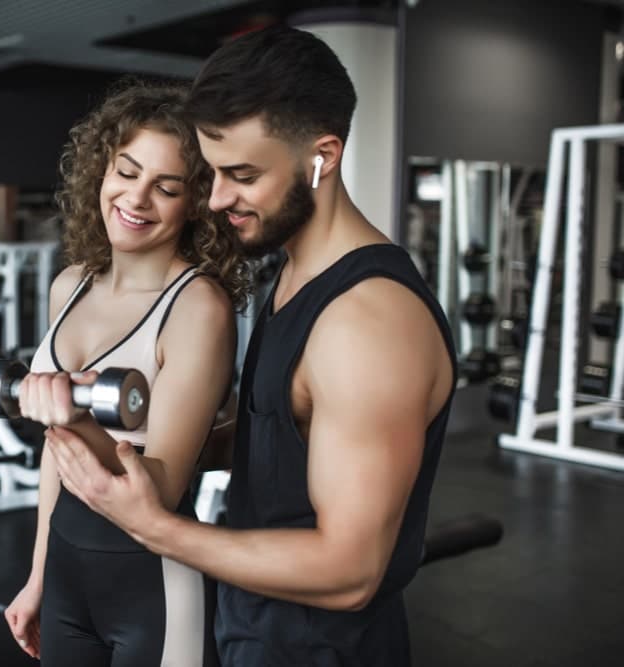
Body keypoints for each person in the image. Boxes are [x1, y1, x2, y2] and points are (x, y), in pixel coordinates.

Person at [43, 25, 457, 667]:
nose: (216, 199)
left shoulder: (365, 322)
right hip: (255, 636)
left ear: (322, 157)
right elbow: (283, 435)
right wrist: (135, 440)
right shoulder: (294, 274)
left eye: (241, 175)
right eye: (210, 173)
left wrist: (156, 526)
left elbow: (350, 573)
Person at [2, 79, 251, 666]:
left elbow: (161, 486)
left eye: (165, 187)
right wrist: (38, 575)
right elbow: (54, 453)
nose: (136, 199)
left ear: (194, 203)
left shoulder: (198, 308)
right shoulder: (71, 283)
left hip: (152, 583)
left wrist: (77, 417)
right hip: (66, 570)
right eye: (126, 171)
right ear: (100, 171)